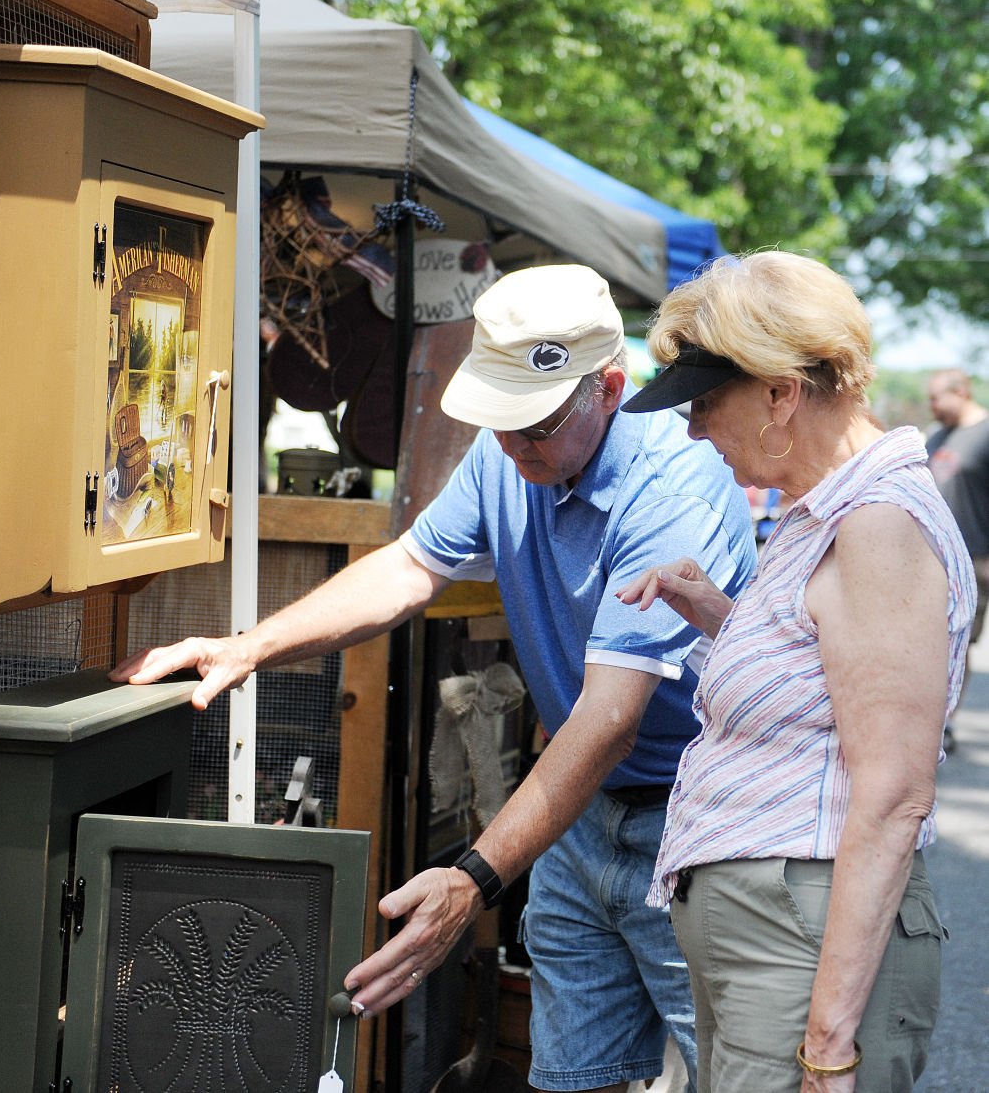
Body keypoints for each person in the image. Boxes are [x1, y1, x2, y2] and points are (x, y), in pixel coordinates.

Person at [112, 263, 756, 1093]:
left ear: (610, 387)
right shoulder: (505, 460)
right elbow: (411, 567)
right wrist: (250, 647)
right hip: (584, 812)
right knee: (572, 1074)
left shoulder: (674, 487)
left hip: (695, 820)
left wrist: (474, 879)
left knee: (739, 1075)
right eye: (501, 423)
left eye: (536, 425)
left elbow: (609, 720)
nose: (515, 447)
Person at [616, 251, 974, 1093]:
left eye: (706, 403)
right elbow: (827, 681)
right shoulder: (834, 511)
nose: (693, 428)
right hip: (776, 932)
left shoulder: (878, 522)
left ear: (781, 391)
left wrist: (827, 1047)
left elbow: (891, 794)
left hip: (802, 940)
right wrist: (718, 616)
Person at [926, 367, 989, 750]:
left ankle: (945, 722)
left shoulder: (984, 435)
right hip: (931, 558)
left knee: (958, 641)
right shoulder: (938, 438)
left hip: (976, 559)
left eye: (937, 398)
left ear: (961, 392)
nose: (932, 407)